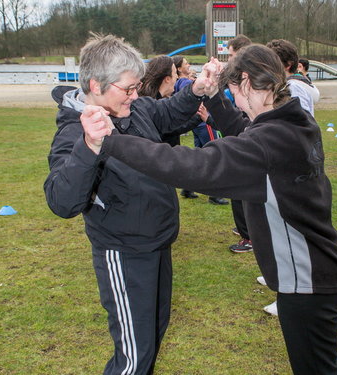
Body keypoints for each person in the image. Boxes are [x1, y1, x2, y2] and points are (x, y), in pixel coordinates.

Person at [82, 44, 337, 375]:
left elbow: (192, 166)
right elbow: (248, 132)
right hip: (322, 269)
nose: (235, 101)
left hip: (308, 281)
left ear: (249, 84)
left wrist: (111, 140)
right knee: (326, 363)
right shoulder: (295, 122)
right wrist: (210, 96)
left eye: (234, 92)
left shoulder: (268, 144)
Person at [44, 34, 209, 375]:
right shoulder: (74, 133)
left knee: (150, 338)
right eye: (129, 88)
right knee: (133, 357)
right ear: (96, 85)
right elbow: (61, 201)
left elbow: (166, 112)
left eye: (138, 87)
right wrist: (89, 145)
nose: (136, 95)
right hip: (125, 252)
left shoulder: (134, 110)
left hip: (158, 245)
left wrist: (195, 91)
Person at [262, 39, 321, 315]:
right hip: (292, 167)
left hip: (294, 171)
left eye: (270, 61)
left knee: (293, 236)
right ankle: (278, 279)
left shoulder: (294, 87)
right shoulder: (293, 85)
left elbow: (299, 128)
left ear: (284, 65)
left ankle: (288, 294)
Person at [172, 55, 229, 205]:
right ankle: (214, 193)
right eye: (185, 63)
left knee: (199, 156)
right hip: (203, 122)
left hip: (195, 123)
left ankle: (188, 187)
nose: (189, 65)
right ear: (179, 69)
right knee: (215, 155)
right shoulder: (186, 82)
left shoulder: (178, 82)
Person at [225, 34, 254, 253]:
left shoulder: (250, 85)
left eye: (231, 54)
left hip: (242, 143)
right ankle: (248, 231)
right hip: (237, 138)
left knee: (243, 190)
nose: (229, 59)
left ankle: (250, 237)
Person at [139, 55, 199, 147]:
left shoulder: (149, 100)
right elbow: (172, 129)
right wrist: (199, 116)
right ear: (167, 79)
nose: (177, 77)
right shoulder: (151, 106)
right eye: (175, 73)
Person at [267, 39, 320, 116]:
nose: (268, 68)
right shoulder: (288, 86)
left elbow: (301, 122)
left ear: (288, 65)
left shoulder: (294, 89)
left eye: (272, 63)